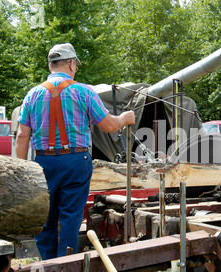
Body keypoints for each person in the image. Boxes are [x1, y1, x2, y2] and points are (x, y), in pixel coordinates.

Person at [16, 43, 135, 260]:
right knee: (70, 219)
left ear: (51, 65)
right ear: (71, 63)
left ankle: (47, 269)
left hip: (43, 164)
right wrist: (124, 119)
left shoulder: (32, 95)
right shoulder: (84, 91)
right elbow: (108, 125)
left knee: (45, 218)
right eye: (75, 65)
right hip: (76, 162)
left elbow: (22, 136)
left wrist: (23, 171)